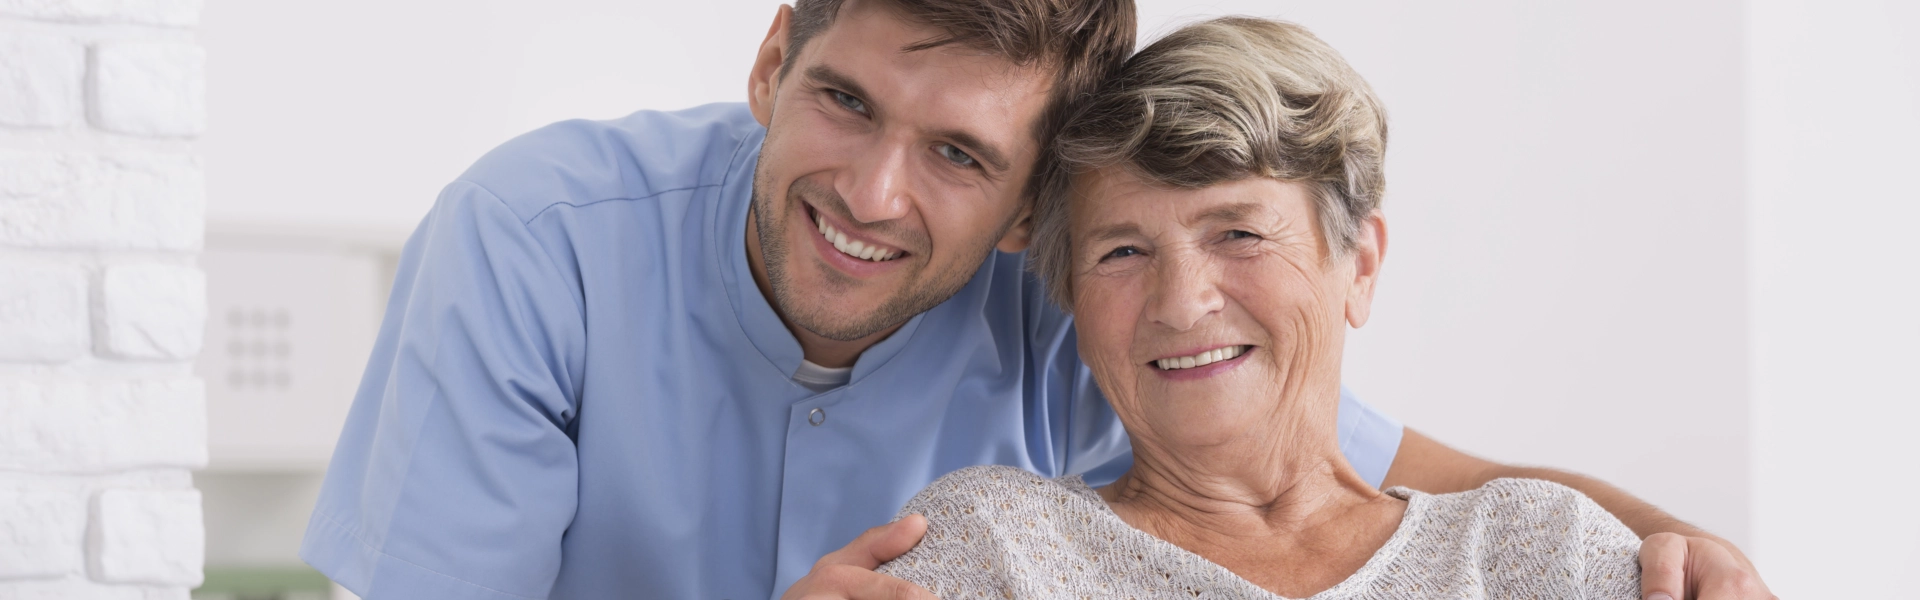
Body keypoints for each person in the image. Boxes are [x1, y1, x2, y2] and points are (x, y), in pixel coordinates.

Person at [297, 1, 1771, 599]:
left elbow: (1386, 487)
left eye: (956, 153)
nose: (873, 193)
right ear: (768, 65)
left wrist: (1677, 550)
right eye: (844, 103)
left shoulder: (1095, 305)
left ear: (1026, 207)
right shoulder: (534, 239)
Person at [879, 17, 1643, 598]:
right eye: (1121, 252)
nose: (1180, 305)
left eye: (1239, 233)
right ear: (1071, 295)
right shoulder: (993, 549)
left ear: (1361, 264)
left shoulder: (1536, 550)